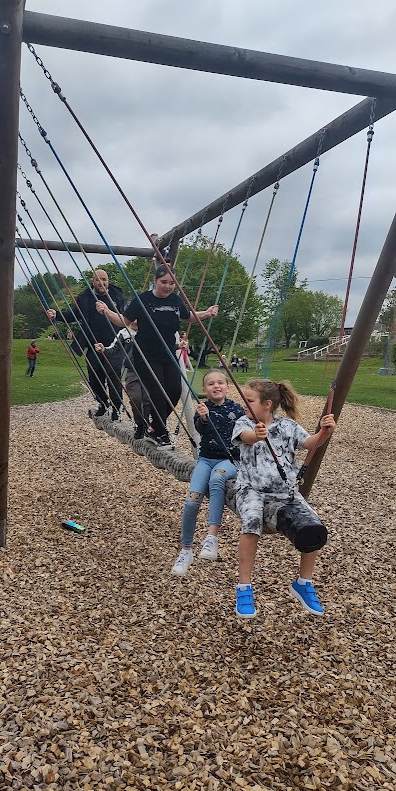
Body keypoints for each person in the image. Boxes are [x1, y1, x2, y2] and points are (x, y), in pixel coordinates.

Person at [231, 379, 336, 619]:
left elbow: (310, 444)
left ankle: (303, 583)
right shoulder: (244, 423)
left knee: (314, 525)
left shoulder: (288, 425)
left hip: (285, 491)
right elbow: (246, 437)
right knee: (251, 524)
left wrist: (324, 432)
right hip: (252, 490)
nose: (243, 403)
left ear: (267, 404)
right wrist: (257, 435)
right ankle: (244, 587)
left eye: (249, 400)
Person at [96, 265, 218, 450]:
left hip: (168, 354)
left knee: (174, 391)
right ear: (155, 281)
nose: (168, 286)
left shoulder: (176, 300)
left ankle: (153, 426)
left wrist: (206, 313)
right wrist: (106, 311)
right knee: (158, 391)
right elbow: (123, 321)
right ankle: (160, 432)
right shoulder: (142, 299)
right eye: (164, 282)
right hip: (146, 355)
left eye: (172, 283)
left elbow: (188, 317)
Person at [171, 369, 245, 576]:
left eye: (220, 382)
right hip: (205, 459)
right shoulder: (203, 408)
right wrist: (203, 418)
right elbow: (200, 430)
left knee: (218, 478)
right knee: (191, 501)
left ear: (227, 387)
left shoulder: (237, 409)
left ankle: (212, 538)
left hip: (230, 460)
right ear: (205, 389)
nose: (216, 386)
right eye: (211, 384)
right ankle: (186, 551)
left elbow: (246, 432)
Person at [47, 270, 125, 420]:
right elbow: (75, 315)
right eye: (98, 279)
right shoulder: (85, 298)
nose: (102, 283)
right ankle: (103, 403)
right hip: (93, 344)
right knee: (94, 378)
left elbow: (125, 316)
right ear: (92, 281)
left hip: (114, 344)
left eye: (104, 279)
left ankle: (116, 408)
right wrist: (57, 315)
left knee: (113, 376)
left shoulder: (116, 295)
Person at [95, 324, 151, 439]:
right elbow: (114, 349)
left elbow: (163, 345)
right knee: (136, 398)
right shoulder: (124, 333)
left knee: (147, 400)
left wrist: (177, 346)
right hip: (132, 370)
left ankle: (146, 425)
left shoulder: (148, 329)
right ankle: (139, 423)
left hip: (149, 370)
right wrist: (103, 349)